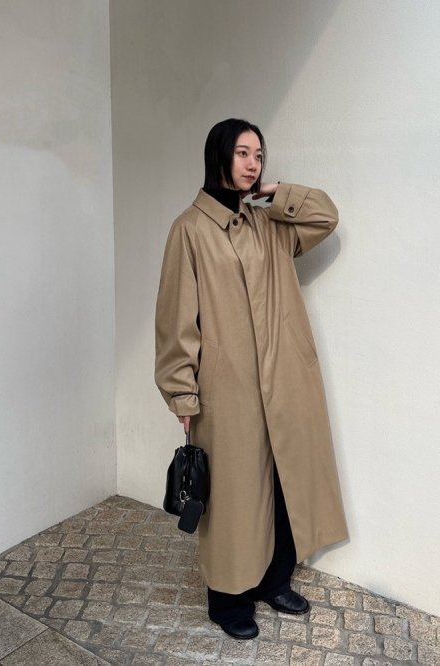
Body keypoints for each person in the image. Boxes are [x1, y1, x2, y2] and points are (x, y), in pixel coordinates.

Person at [155, 118, 348, 640]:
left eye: (258, 155)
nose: (252, 163)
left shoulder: (269, 225)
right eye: (242, 153)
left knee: (284, 485)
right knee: (235, 498)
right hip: (228, 390)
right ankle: (228, 598)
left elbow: (325, 216)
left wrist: (276, 192)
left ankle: (274, 580)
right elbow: (176, 319)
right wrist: (182, 392)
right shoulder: (189, 230)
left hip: (284, 380)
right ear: (218, 155)